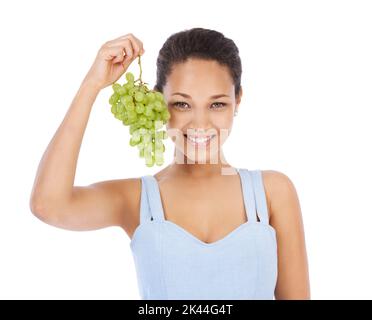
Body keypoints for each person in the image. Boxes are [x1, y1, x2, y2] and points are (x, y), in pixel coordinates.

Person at [29, 28, 310, 300]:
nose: (200, 123)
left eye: (217, 104)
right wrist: (91, 85)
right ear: (158, 101)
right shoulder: (137, 199)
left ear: (238, 100)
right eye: (182, 104)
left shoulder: (272, 192)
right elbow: (48, 205)